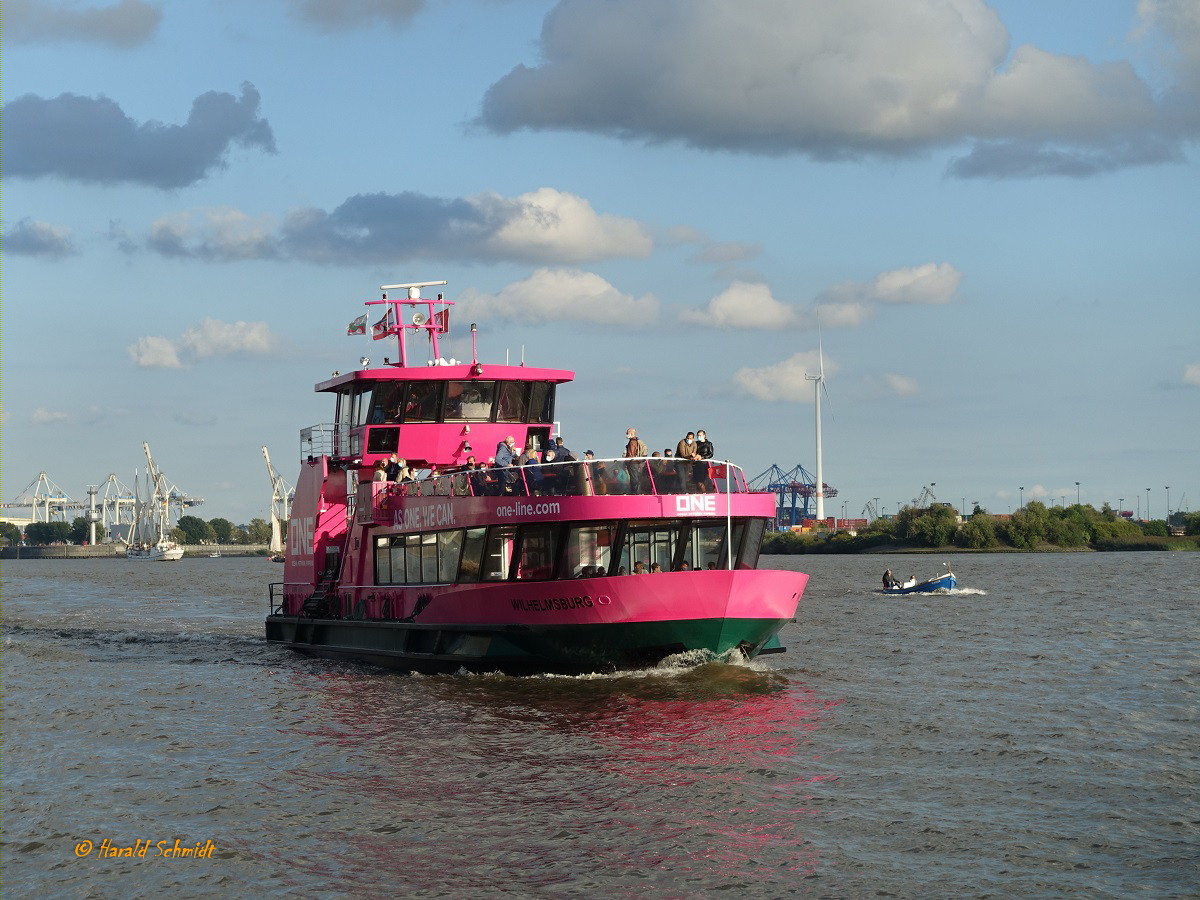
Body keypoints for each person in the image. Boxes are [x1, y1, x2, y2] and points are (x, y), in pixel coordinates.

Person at [623, 427, 648, 493]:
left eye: (627, 433)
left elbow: (631, 454)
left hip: (632, 463)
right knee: (636, 478)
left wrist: (627, 461)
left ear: (631, 433)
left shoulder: (632, 442)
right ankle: (637, 492)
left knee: (634, 479)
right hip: (636, 463)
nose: (626, 434)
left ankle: (635, 493)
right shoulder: (636, 441)